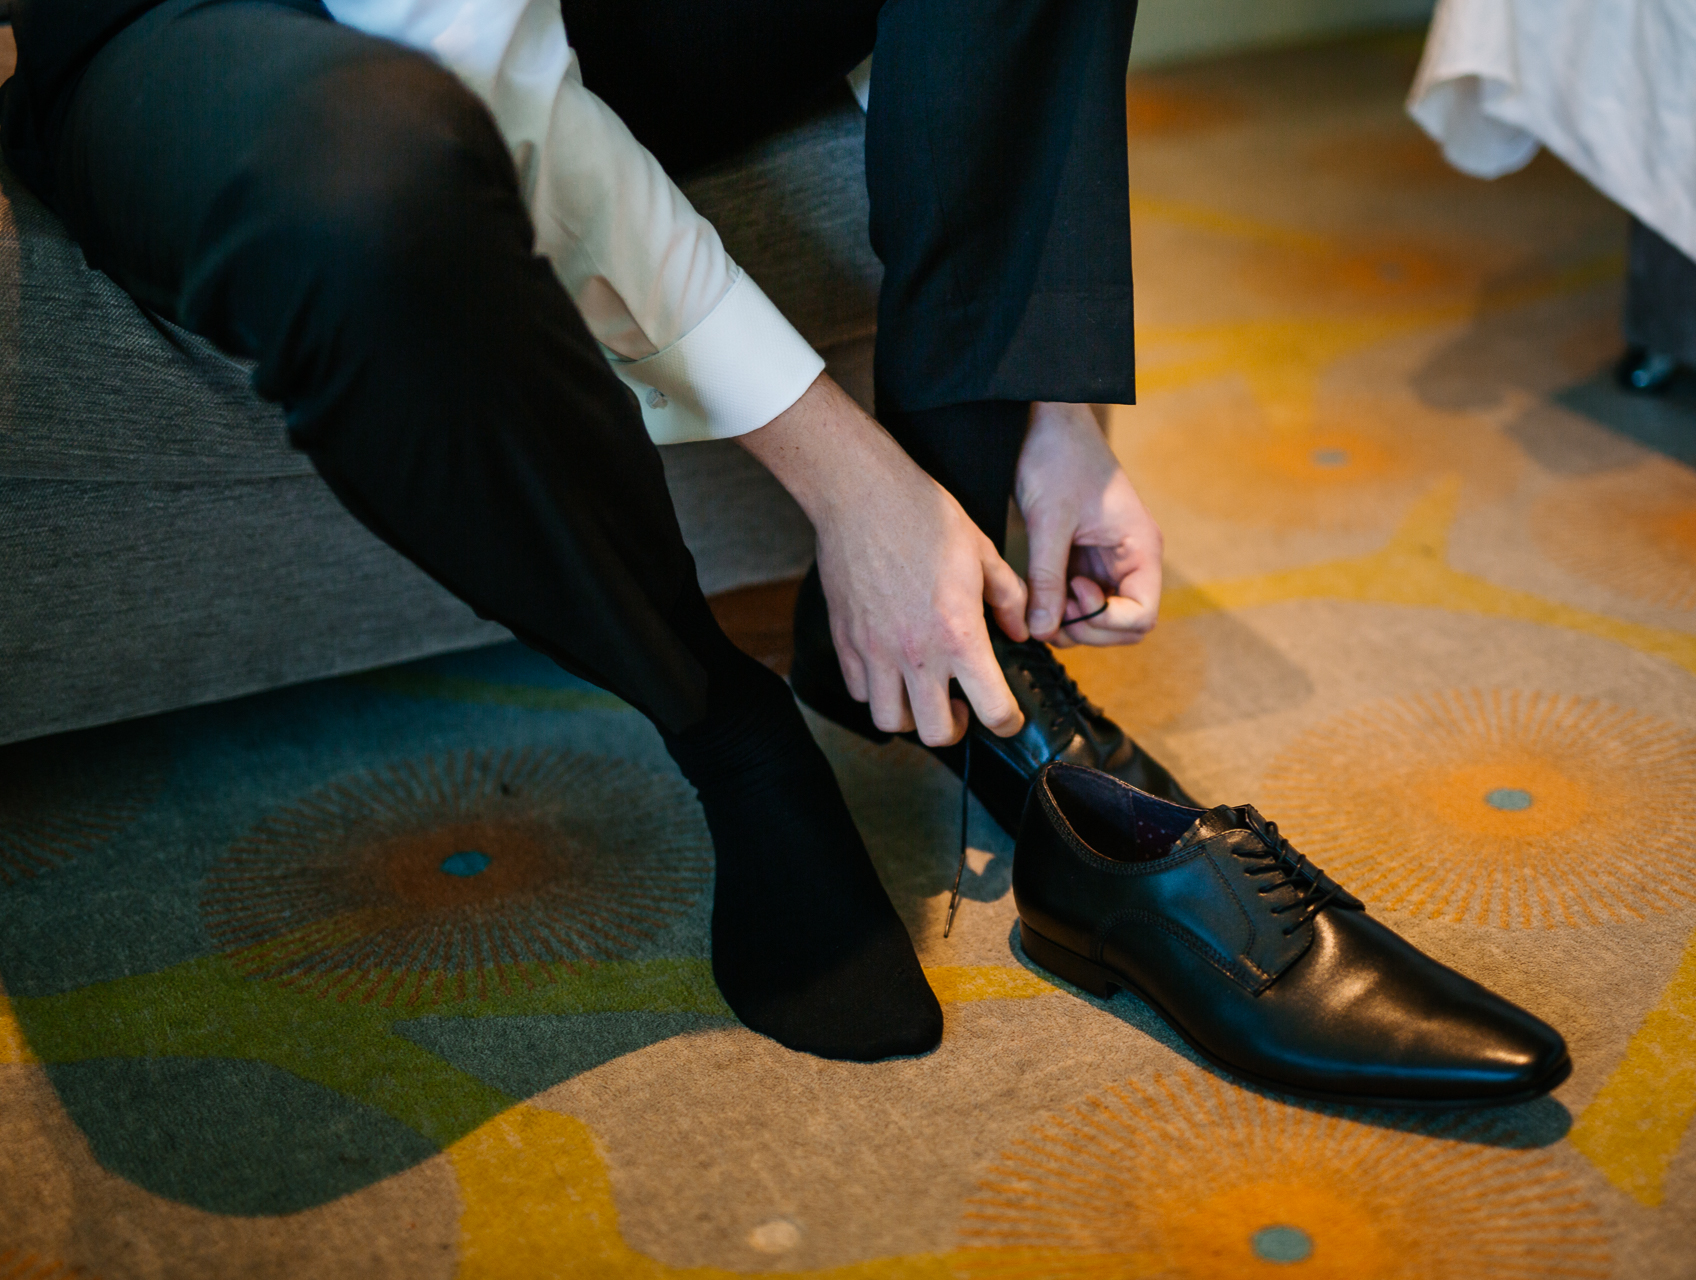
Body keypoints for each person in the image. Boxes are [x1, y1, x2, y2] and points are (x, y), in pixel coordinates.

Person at [1, 0, 1197, 1062]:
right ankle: (728, 730)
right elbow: (495, 83)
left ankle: (930, 606)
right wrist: (852, 483)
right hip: (212, 31)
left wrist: (1048, 401)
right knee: (371, 189)